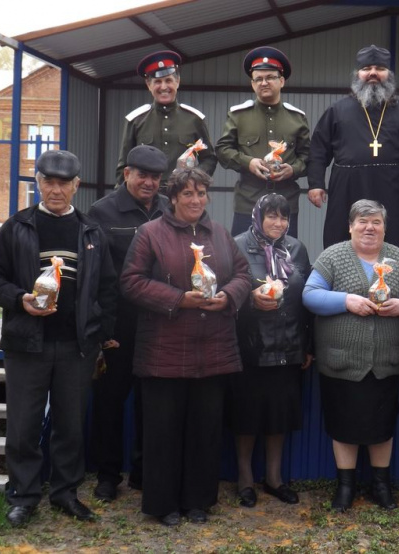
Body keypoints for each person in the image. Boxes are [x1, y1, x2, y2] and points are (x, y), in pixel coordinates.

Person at [0, 150, 117, 526]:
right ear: (38, 183)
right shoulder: (17, 226)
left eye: (63, 183)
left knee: (70, 425)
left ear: (76, 185)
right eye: (48, 182)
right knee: (23, 425)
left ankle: (65, 493)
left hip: (76, 346)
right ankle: (23, 495)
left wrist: (100, 334)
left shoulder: (90, 231)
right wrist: (21, 301)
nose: (55, 190)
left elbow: (107, 288)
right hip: (27, 343)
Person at [119, 168, 250, 526]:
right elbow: (130, 282)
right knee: (163, 432)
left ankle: (198, 501)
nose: (196, 200)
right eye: (188, 194)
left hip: (214, 351)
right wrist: (179, 299)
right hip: (164, 353)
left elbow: (243, 275)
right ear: (173, 198)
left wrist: (227, 297)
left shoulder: (220, 234)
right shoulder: (150, 234)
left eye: (201, 193)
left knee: (204, 431)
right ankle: (164, 504)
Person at [302, 199, 399, 512]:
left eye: (376, 222)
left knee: (383, 425)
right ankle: (345, 486)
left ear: (384, 227)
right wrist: (346, 301)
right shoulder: (334, 256)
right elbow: (310, 295)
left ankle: (381, 485)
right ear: (350, 226)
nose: (369, 227)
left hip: (384, 361)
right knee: (343, 425)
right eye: (362, 221)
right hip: (342, 361)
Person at [89, 145, 169, 501]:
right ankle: (107, 475)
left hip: (160, 325)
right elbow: (96, 278)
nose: (149, 182)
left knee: (150, 403)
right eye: (142, 175)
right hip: (118, 325)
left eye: (155, 177)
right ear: (126, 174)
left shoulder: (169, 209)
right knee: (110, 402)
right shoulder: (101, 212)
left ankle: (143, 471)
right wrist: (101, 329)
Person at [307, 45, 399, 261]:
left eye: (380, 68)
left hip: (395, 189)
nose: (373, 73)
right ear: (358, 74)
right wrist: (316, 183)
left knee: (396, 240)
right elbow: (319, 148)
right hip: (348, 187)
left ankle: (397, 286)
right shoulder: (337, 111)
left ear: (389, 75)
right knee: (342, 240)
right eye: (366, 68)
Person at [229, 193, 312, 508]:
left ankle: (274, 479)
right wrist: (251, 299)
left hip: (289, 346)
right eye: (272, 216)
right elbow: (227, 293)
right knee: (246, 416)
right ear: (257, 217)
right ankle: (245, 479)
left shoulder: (296, 248)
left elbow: (307, 297)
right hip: (249, 346)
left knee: (280, 417)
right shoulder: (237, 245)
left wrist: (307, 345)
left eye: (284, 217)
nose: (278, 223)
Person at [216, 47, 310, 237]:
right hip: (248, 202)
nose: (264, 82)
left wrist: (293, 169)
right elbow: (222, 150)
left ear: (281, 81)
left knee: (285, 259)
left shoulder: (297, 118)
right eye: (258, 79)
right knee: (244, 260)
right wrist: (248, 162)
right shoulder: (238, 115)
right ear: (252, 84)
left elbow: (309, 156)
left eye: (270, 77)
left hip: (286, 203)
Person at [116, 50, 217, 186]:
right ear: (148, 85)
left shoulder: (194, 119)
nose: (164, 87)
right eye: (157, 82)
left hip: (181, 197)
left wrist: (192, 180)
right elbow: (124, 167)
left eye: (168, 80)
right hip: (146, 198)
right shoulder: (136, 121)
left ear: (178, 81)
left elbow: (209, 159)